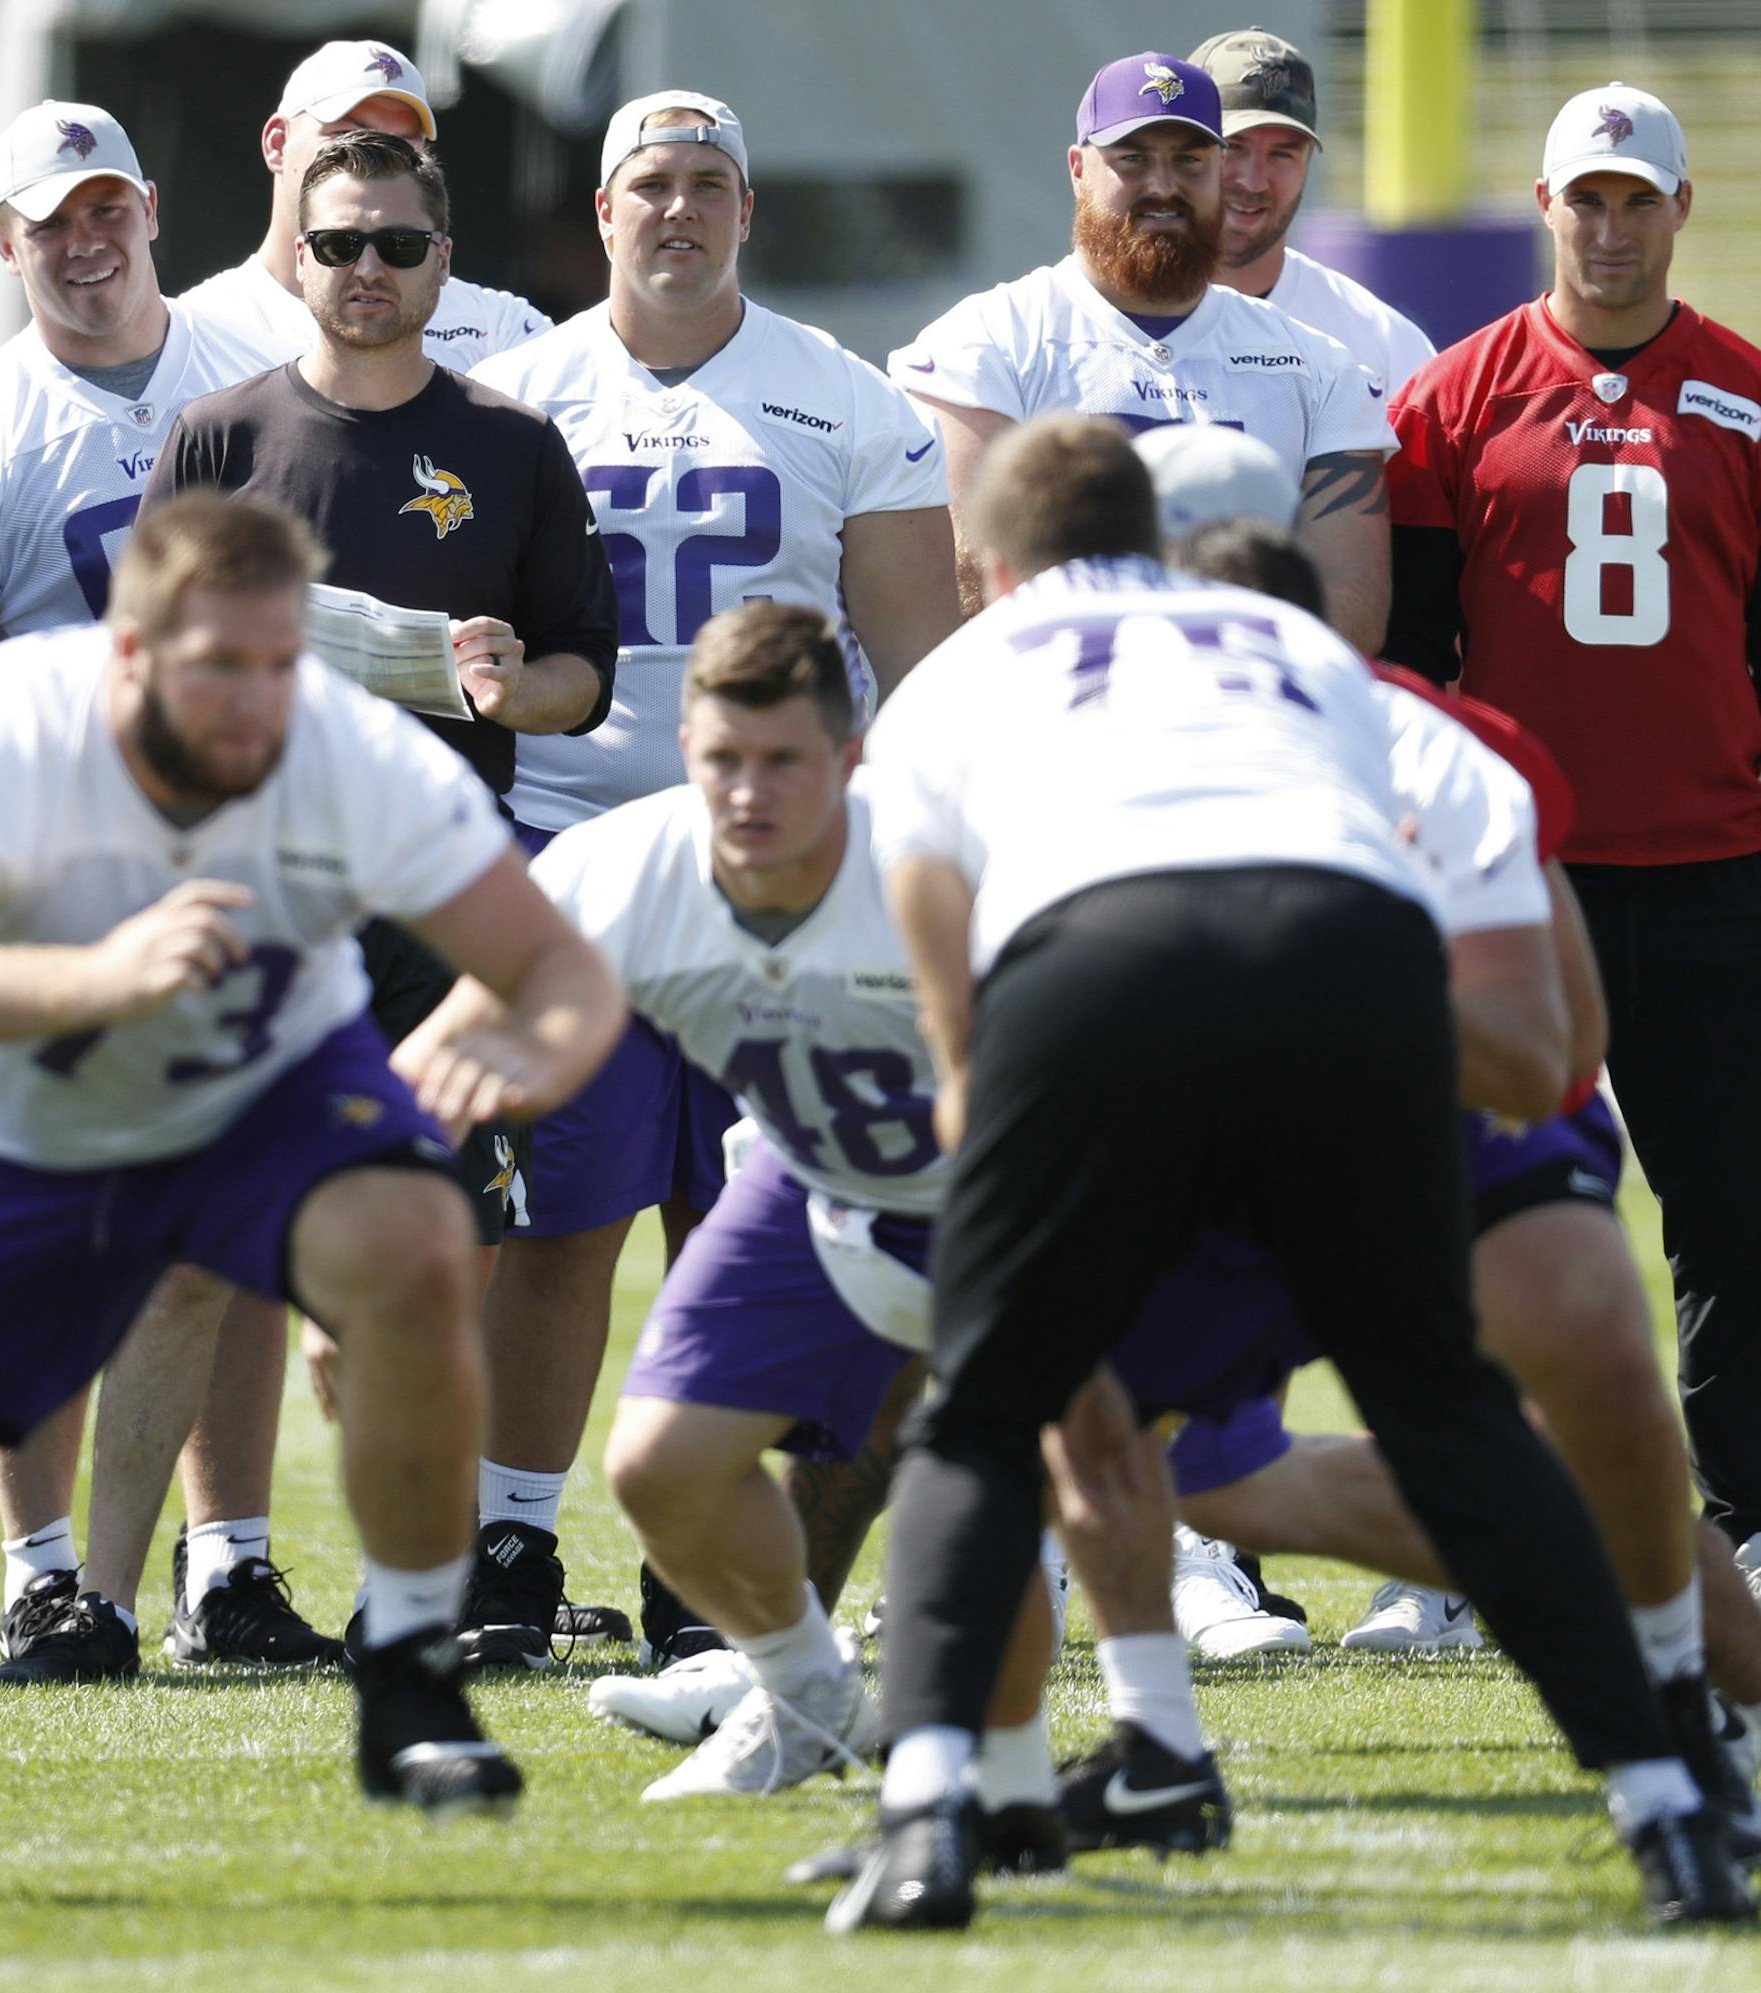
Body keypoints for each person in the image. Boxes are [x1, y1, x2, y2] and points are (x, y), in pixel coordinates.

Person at [0, 492, 627, 1899]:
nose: (255, 703)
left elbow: (563, 972)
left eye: (281, 665)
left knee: (414, 1240)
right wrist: (94, 979)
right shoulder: (9, 733)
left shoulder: (342, 751)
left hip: (260, 1095)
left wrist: (532, 1045)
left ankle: (407, 1661)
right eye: (220, 665)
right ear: (130, 652)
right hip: (14, 1139)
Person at [827, 413, 1749, 1932]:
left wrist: (983, 1104)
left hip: (1100, 958)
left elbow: (944, 950)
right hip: (1356, 967)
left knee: (987, 1415)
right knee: (1449, 1411)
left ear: (993, 561)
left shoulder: (973, 670)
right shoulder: (1305, 655)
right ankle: (1669, 1807)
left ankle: (928, 1813)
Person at [459, 91, 959, 1669]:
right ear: (599, 213)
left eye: (707, 186)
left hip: (781, 871)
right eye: (649, 186)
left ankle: (718, 1555)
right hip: (568, 848)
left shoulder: (847, 400)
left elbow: (916, 665)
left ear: (749, 211)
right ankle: (514, 1546)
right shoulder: (511, 395)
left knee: (750, 1208)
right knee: (554, 1225)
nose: (677, 212)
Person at [0, 97, 346, 1683]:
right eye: (46, 220)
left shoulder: (262, 364)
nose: (83, 242)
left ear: (150, 204)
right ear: (4, 240)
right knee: (39, 1232)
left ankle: (226, 1564)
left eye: (104, 210)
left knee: (232, 1230)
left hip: (239, 858)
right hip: (54, 875)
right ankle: (41, 1573)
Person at [144, 130, 618, 1653]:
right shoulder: (220, 433)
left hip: (435, 895)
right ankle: (225, 1568)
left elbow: (581, 678)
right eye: (337, 243)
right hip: (254, 888)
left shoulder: (512, 441)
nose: (364, 272)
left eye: (396, 248)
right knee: (227, 1245)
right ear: (297, 252)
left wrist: (501, 684)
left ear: (443, 263)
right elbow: (136, 665)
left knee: (433, 1248)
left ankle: (414, 1584)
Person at [1383, 83, 1761, 1600]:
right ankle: (1469, 1532)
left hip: (1713, 868)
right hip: (1515, 876)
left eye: (1635, 200)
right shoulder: (1452, 397)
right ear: (1545, 208)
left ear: (1679, 211)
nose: (1609, 228)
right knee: (1484, 1206)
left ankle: (1737, 1521)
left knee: (1730, 1208)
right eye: (1583, 199)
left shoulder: (1745, 393)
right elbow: (1409, 661)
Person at [888, 51, 1395, 653]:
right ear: (1078, 168)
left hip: (1246, 712)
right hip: (1067, 710)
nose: (1163, 186)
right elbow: (972, 576)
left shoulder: (1320, 366)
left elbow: (1350, 602)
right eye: (1133, 159)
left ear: (1220, 171)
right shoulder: (985, 343)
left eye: (1189, 160)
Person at [178, 38, 548, 376]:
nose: (374, 168)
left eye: (400, 148)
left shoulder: (496, 328)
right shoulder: (200, 329)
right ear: (278, 144)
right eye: (346, 139)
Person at [1189, 28, 1435, 396]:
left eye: (1282, 154)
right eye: (1233, 147)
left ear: (1308, 161)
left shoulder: (1382, 343)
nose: (1254, 181)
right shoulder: (1098, 316)